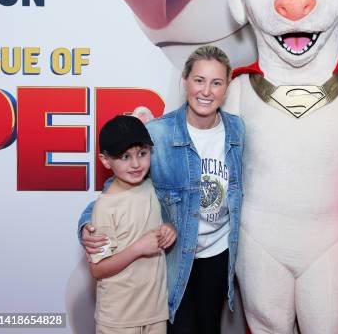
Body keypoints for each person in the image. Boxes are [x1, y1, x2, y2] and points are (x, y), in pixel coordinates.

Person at [78, 46, 245, 334]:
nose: (206, 91)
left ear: (226, 87)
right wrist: (85, 225)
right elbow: (117, 184)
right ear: (185, 81)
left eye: (216, 82)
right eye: (199, 80)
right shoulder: (159, 132)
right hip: (175, 254)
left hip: (219, 253)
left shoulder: (237, 131)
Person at [89, 114, 176, 334]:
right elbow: (98, 269)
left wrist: (169, 228)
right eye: (125, 156)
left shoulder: (152, 187)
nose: (136, 164)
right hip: (119, 319)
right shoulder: (105, 207)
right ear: (105, 160)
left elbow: (167, 215)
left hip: (155, 314)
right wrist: (138, 249)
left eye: (142, 153)